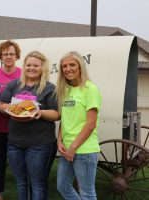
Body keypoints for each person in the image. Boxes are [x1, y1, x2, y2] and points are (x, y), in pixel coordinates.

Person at [0, 51, 60, 200]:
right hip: (15, 143)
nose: (31, 68)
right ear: (24, 66)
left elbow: (57, 114)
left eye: (35, 65)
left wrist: (40, 112)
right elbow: (1, 104)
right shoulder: (15, 84)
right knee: (21, 183)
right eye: (28, 65)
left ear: (42, 67)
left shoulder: (49, 88)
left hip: (39, 144)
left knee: (37, 184)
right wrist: (9, 109)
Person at [55, 51, 101, 200]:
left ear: (80, 67)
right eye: (64, 66)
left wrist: (73, 148)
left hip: (84, 150)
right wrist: (59, 140)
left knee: (87, 192)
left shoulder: (90, 89)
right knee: (63, 186)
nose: (68, 69)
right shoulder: (65, 90)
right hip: (66, 149)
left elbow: (91, 124)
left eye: (72, 65)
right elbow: (65, 119)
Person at [0, 40, 22, 200]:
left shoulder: (23, 75)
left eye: (11, 54)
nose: (8, 57)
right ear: (0, 57)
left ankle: (22, 191)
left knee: (19, 163)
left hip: (19, 128)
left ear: (17, 56)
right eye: (5, 54)